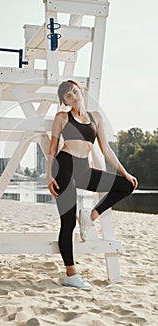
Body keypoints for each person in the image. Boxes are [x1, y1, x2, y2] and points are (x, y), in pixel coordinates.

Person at [47, 80, 138, 290]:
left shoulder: (95, 117)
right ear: (64, 101)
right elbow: (52, 147)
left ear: (81, 91)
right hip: (64, 167)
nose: (73, 97)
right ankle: (71, 274)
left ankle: (91, 216)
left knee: (126, 185)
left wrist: (124, 172)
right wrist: (48, 176)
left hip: (84, 170)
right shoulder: (62, 117)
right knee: (68, 223)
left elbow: (106, 149)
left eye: (74, 92)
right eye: (68, 96)